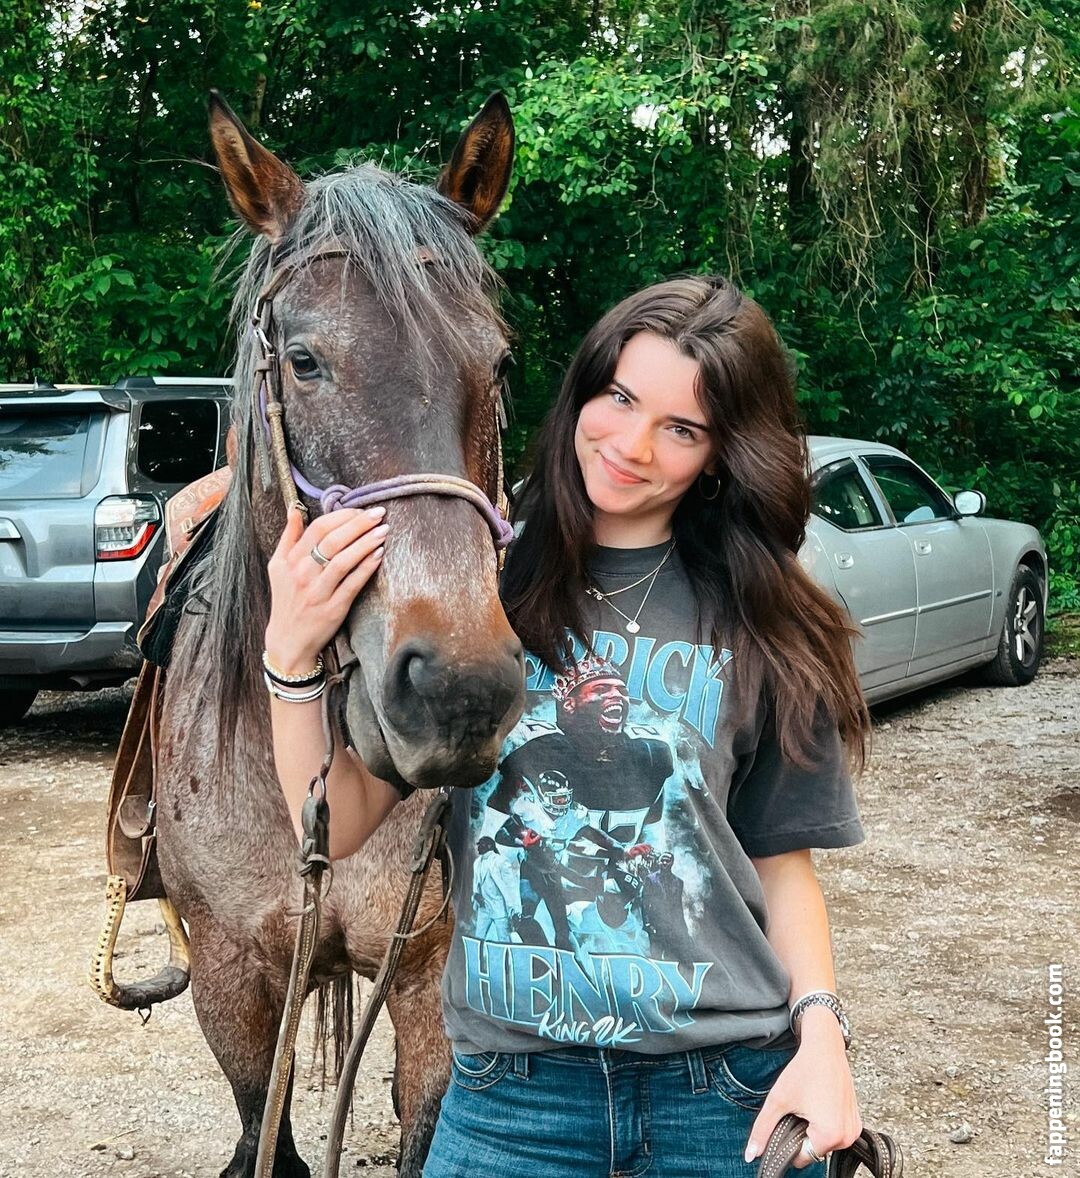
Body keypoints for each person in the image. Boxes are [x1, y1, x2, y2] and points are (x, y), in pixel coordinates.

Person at [263, 275, 870, 1176]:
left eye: (682, 428)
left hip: (724, 1095)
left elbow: (782, 866)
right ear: (582, 390)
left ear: (719, 456)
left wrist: (822, 1041)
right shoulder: (477, 589)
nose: (631, 445)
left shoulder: (764, 617)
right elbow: (336, 823)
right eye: (619, 398)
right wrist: (289, 655)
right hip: (514, 1102)